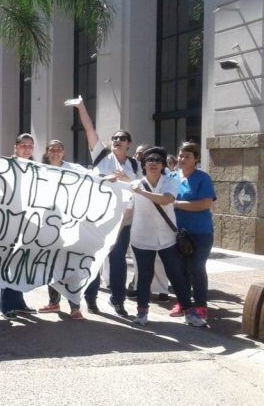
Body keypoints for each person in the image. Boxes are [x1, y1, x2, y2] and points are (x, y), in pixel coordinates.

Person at [67, 95, 140, 317]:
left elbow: (140, 187)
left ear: (128, 144)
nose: (117, 140)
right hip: (99, 221)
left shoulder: (135, 164)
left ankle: (118, 301)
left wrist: (127, 181)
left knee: (118, 262)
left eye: (122, 138)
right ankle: (91, 299)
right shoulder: (102, 157)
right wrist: (81, 107)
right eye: (114, 138)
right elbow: (90, 130)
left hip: (123, 222)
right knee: (94, 261)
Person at [129, 147, 206, 327]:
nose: (153, 163)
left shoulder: (170, 181)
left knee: (176, 275)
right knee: (144, 276)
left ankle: (190, 313)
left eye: (157, 160)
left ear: (163, 165)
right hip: (141, 238)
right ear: (144, 164)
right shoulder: (134, 184)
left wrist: (140, 191)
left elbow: (166, 200)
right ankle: (141, 313)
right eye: (149, 160)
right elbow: (128, 211)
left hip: (167, 238)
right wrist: (116, 235)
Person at [37, 140, 91, 320]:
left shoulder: (74, 169)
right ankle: (54, 302)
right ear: (47, 153)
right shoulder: (39, 170)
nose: (55, 152)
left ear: (64, 152)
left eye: (58, 149)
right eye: (51, 150)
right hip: (48, 226)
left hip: (70, 225)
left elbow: (94, 178)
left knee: (71, 266)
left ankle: (75, 307)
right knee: (52, 265)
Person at [173, 142, 216, 321]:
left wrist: (175, 203)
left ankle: (200, 306)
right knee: (180, 269)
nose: (182, 159)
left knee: (196, 268)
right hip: (179, 233)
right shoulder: (172, 177)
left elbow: (205, 204)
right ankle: (183, 303)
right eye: (181, 155)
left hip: (200, 233)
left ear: (196, 159)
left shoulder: (202, 178)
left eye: (187, 156)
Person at [0, 133, 38, 318]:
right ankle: (6, 305)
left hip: (29, 221)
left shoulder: (35, 167)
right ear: (16, 147)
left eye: (30, 146)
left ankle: (19, 301)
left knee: (22, 263)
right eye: (23, 145)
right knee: (9, 262)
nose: (27, 149)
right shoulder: (6, 165)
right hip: (10, 221)